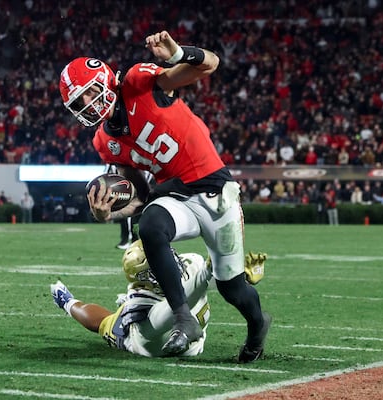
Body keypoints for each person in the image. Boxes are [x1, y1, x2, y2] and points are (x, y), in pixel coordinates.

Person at [59, 30, 271, 361]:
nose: (89, 104)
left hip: (215, 191)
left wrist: (176, 54)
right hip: (177, 196)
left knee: (232, 288)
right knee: (151, 223)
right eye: (79, 103)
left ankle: (258, 325)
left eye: (90, 93)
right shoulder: (104, 141)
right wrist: (107, 216)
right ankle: (183, 317)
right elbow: (139, 199)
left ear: (107, 81)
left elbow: (210, 64)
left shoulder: (136, 82)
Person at [51, 240, 267, 357]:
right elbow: (170, 311)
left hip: (180, 318)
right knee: (105, 323)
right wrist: (209, 271)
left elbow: (208, 283)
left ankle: (68, 302)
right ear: (146, 277)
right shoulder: (144, 316)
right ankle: (68, 302)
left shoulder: (191, 264)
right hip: (142, 343)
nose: (170, 262)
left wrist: (239, 276)